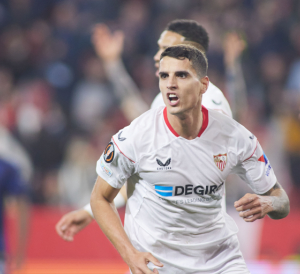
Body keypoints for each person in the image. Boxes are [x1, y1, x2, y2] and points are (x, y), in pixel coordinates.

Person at [91, 45, 290, 274]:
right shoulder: (135, 138)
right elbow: (100, 198)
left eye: (182, 75)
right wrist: (131, 255)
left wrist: (268, 202)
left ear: (203, 85)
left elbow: (282, 201)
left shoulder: (235, 138)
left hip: (222, 266)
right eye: (164, 76)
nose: (170, 84)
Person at [57, 20, 241, 242]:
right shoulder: (164, 101)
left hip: (198, 249)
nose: (156, 56)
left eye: (164, 49)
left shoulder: (210, 100)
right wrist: (90, 211)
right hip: (168, 248)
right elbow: (146, 172)